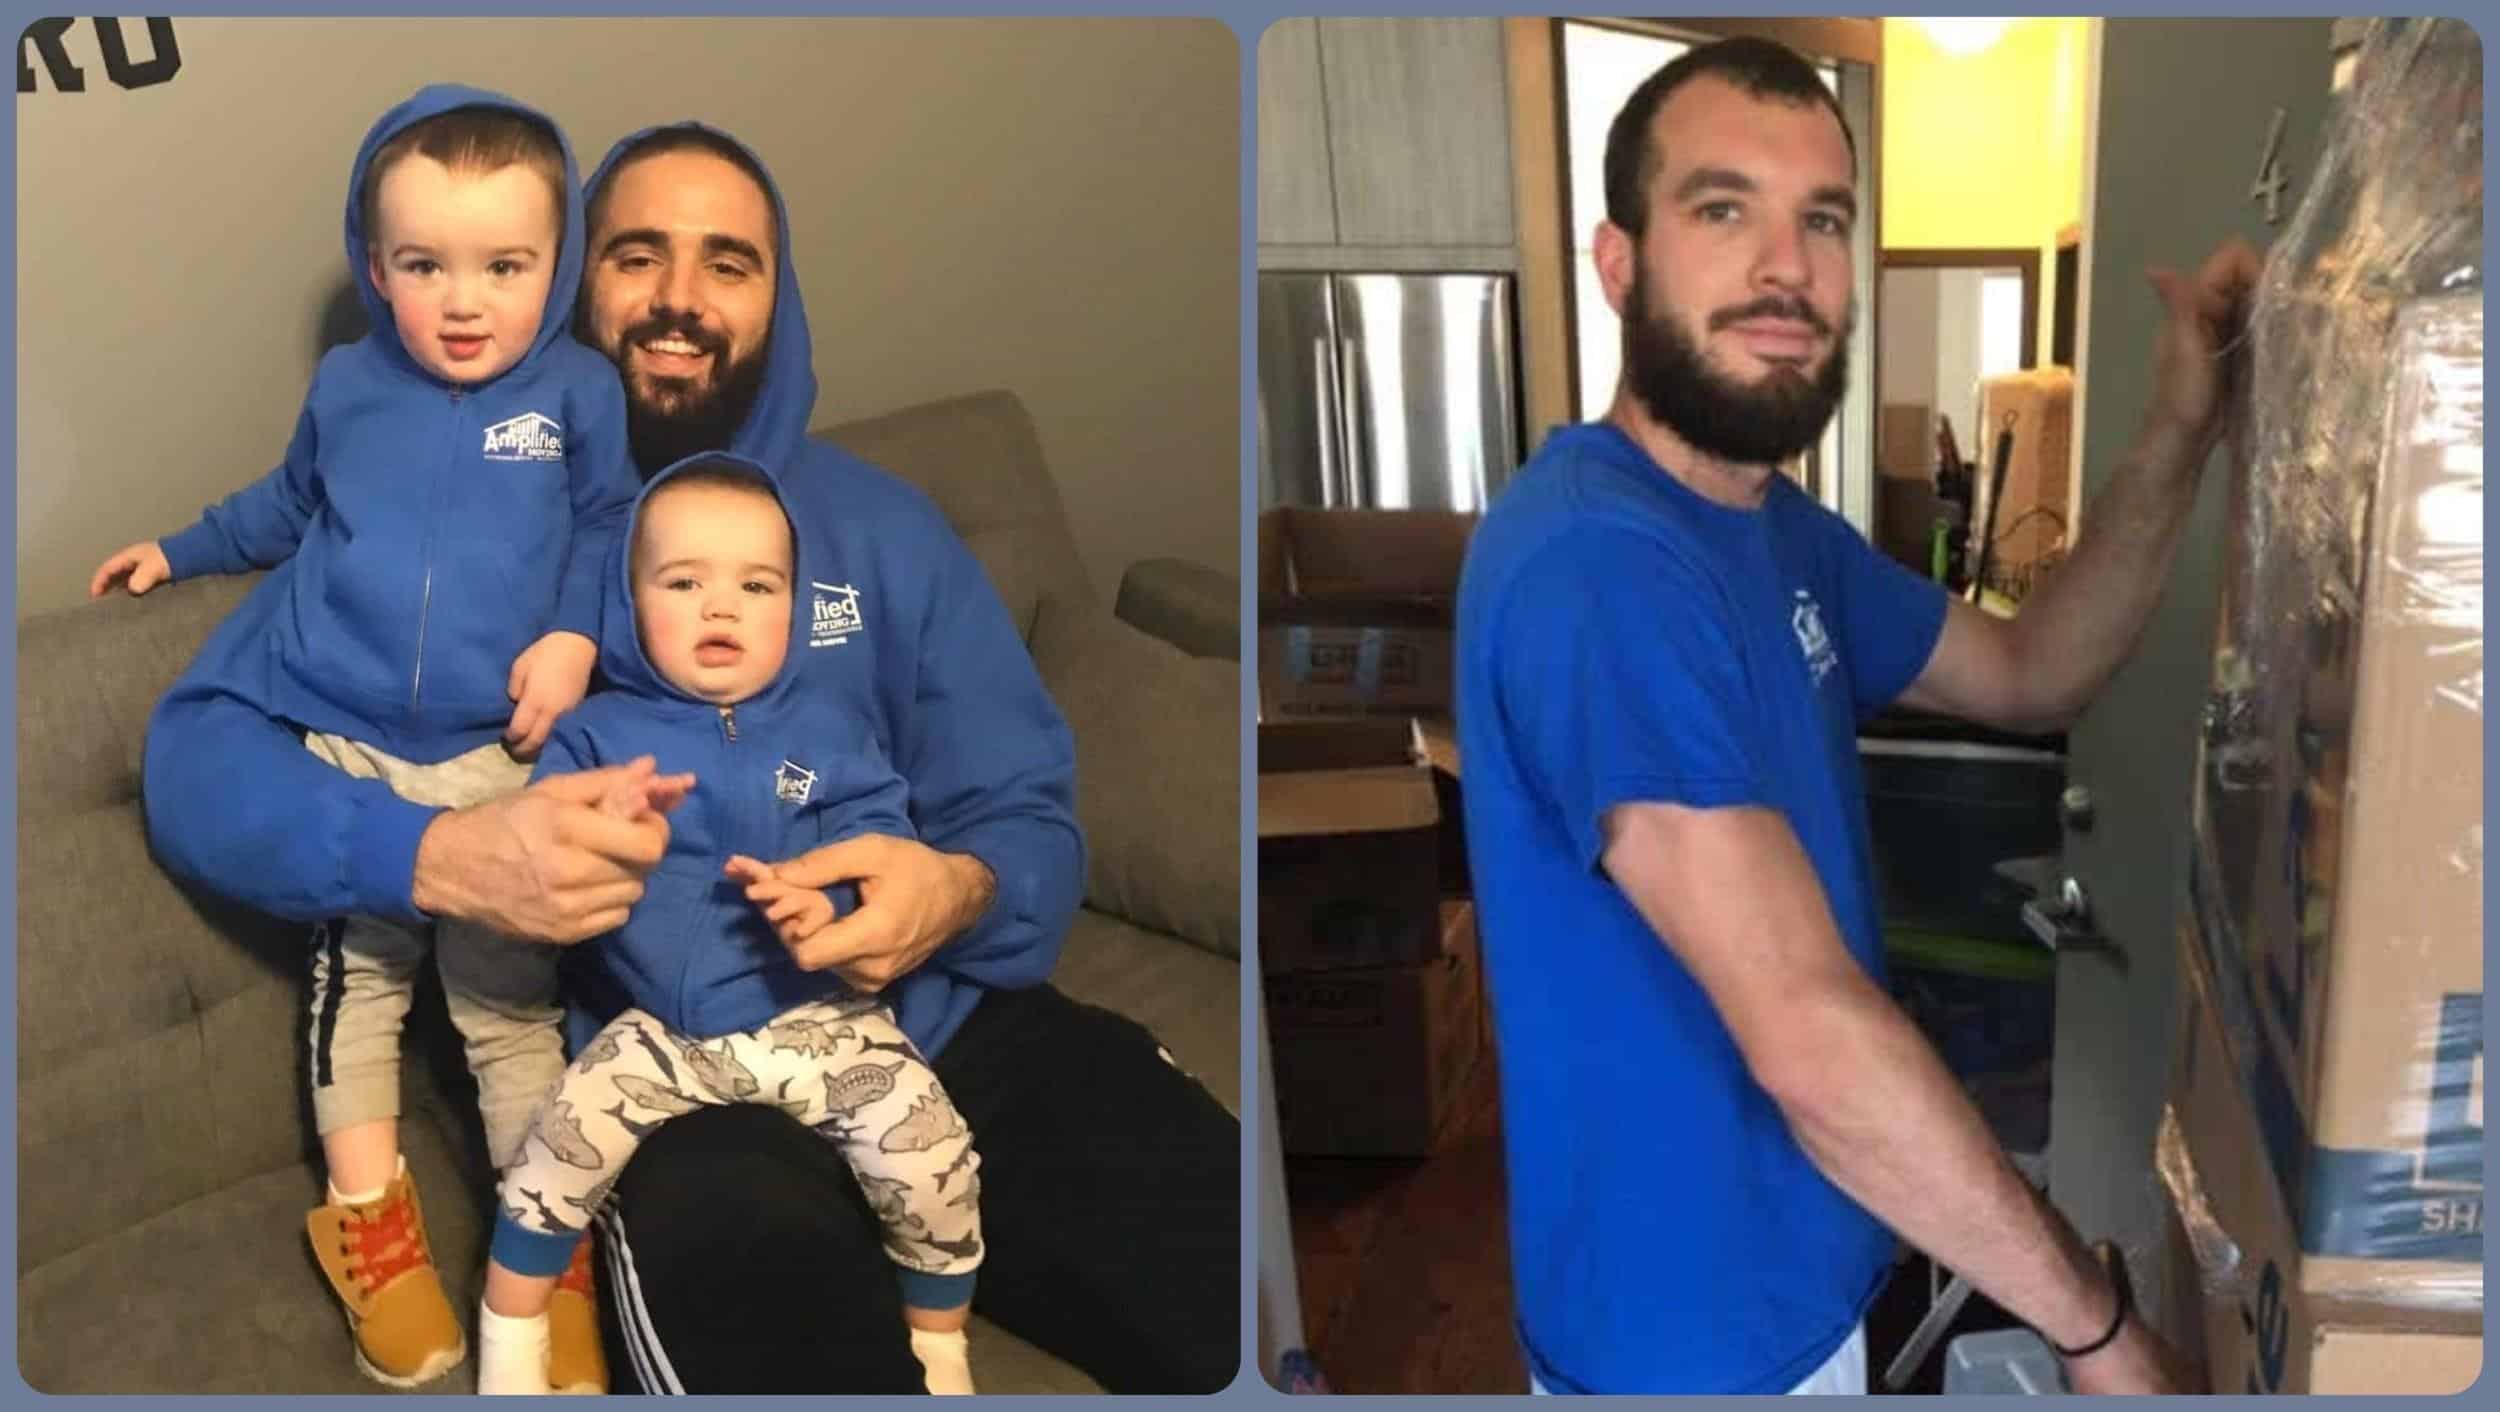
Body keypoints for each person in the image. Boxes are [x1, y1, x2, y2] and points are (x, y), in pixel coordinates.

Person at [143, 118, 1238, 1394]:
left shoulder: (883, 526)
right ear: (572, 285)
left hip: (948, 1025)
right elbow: (193, 760)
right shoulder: (453, 541)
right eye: (636, 255)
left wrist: (957, 887)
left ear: (782, 299)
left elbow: (1030, 817)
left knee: (1227, 1279)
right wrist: (439, 853)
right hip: (679, 1090)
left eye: (729, 261)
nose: (677, 299)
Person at [1454, 38, 2248, 1396]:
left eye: (1822, 219)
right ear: (1618, 262)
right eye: (1723, 210)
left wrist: (2180, 429)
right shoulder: (1598, 567)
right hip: (1682, 1352)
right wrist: (2105, 1337)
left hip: (1807, 1276)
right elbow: (1810, 1038)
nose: (1786, 266)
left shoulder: (1771, 531)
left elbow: (2031, 672)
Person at [108, 85, 635, 1389]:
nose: (463, 302)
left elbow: (615, 530)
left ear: (555, 267)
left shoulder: (579, 392)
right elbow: (282, 506)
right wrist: (176, 547)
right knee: (360, 994)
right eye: (424, 266)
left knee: (514, 1016)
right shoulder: (351, 386)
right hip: (345, 743)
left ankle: (542, 1248)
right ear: (375, 267)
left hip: (495, 755)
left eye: (504, 266)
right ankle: (373, 1235)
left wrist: (574, 637)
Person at [477, 458, 986, 1396]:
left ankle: (939, 1349)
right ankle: (510, 1343)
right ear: (630, 604)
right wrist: (607, 825)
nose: (723, 608)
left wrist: (825, 904)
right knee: (553, 1157)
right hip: (663, 1041)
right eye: (685, 583)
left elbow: (877, 845)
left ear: (795, 608)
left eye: (757, 586)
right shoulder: (599, 735)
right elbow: (543, 848)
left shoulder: (831, 730)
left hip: (821, 1022)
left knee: (933, 1152)